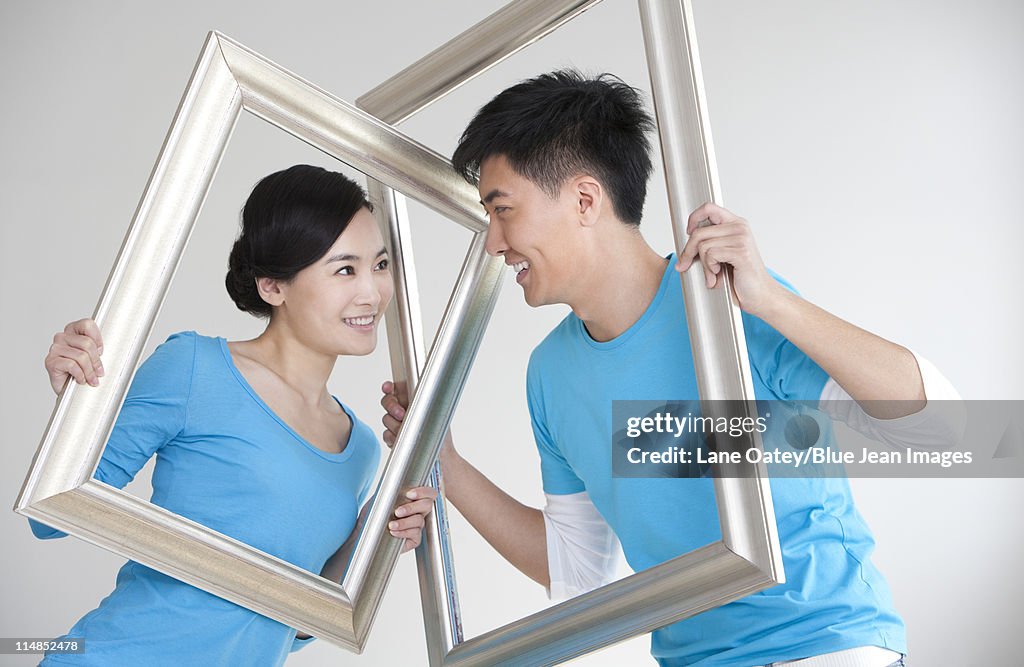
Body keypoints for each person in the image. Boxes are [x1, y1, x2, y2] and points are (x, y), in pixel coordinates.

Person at [380, 71, 963, 666]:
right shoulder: (549, 374)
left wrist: (772, 303)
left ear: (585, 200)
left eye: (503, 211)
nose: (493, 243)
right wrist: (447, 465)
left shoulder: (722, 304)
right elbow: (579, 569)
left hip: (823, 646)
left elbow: (940, 429)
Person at [36, 164, 436, 667]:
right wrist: (75, 402)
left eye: (379, 265)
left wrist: (376, 540)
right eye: (344, 269)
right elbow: (53, 517)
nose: (372, 292)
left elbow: (291, 623)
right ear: (273, 287)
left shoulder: (359, 448)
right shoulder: (193, 369)